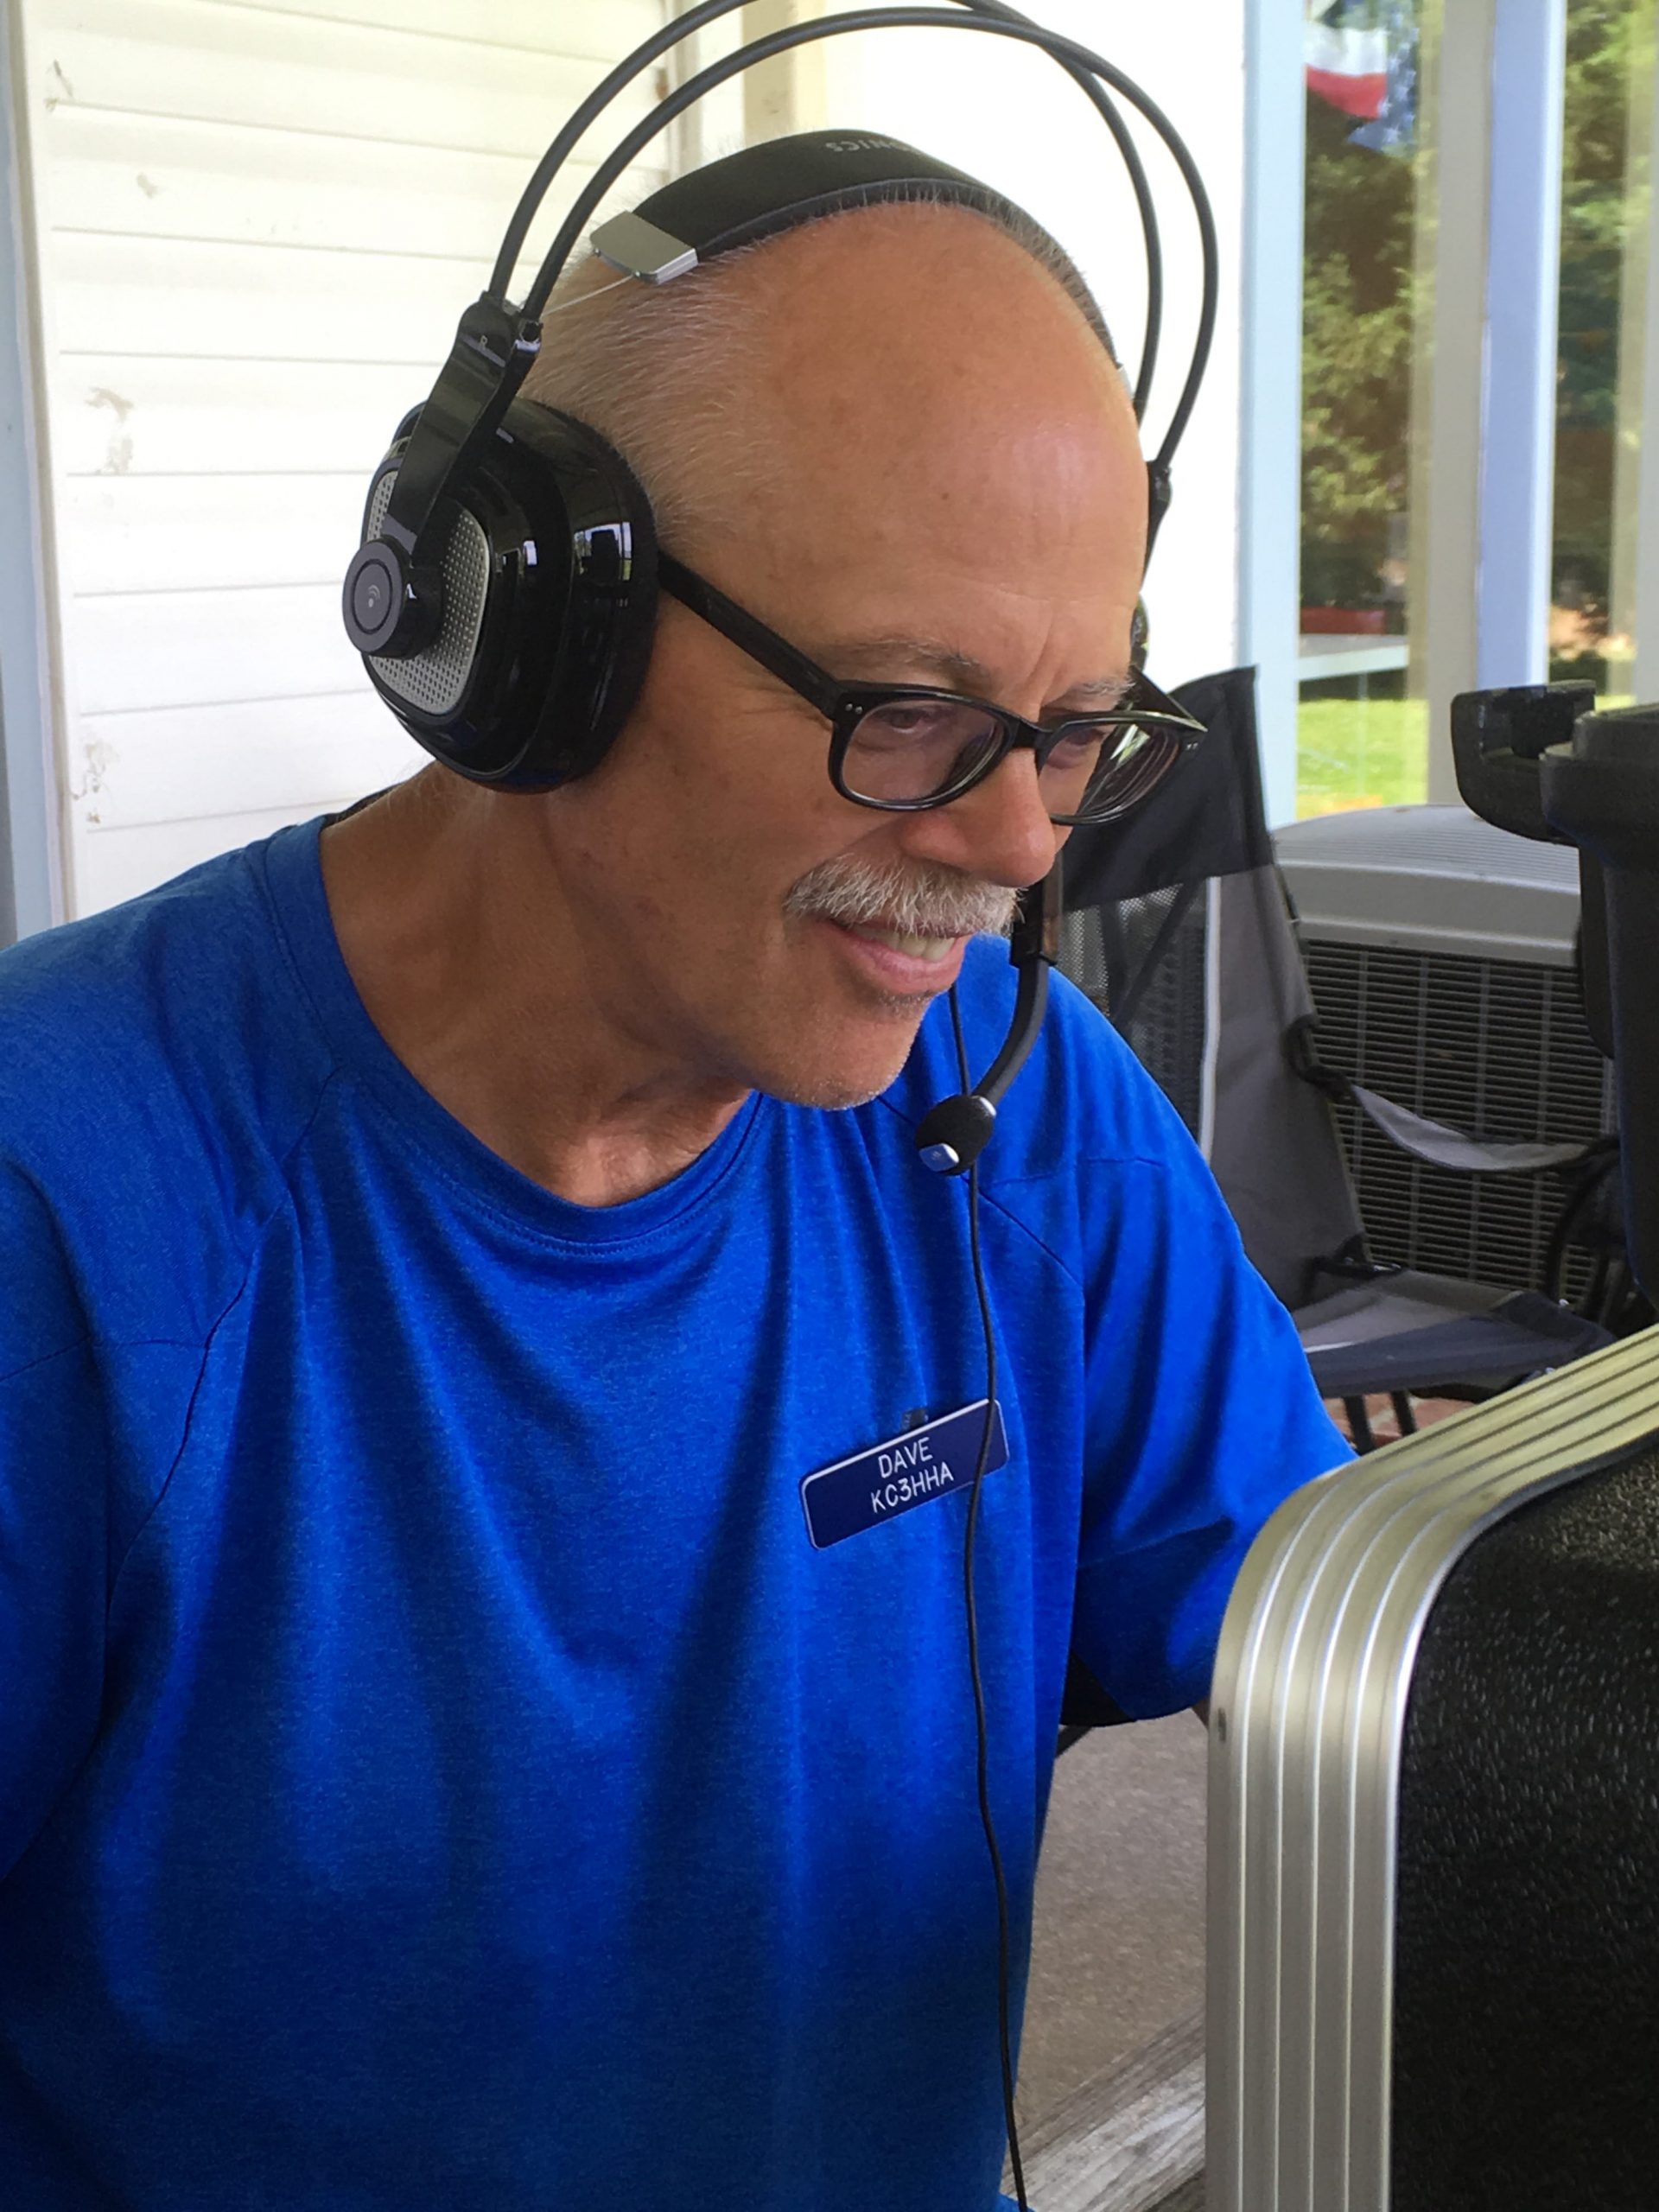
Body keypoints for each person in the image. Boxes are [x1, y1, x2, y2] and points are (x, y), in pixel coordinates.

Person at [0, 147, 1345, 2210]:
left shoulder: (1017, 1105)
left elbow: (1356, 1658)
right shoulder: (69, 1194)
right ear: (531, 635)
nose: (1017, 846)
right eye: (909, 714)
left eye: (1078, 731)